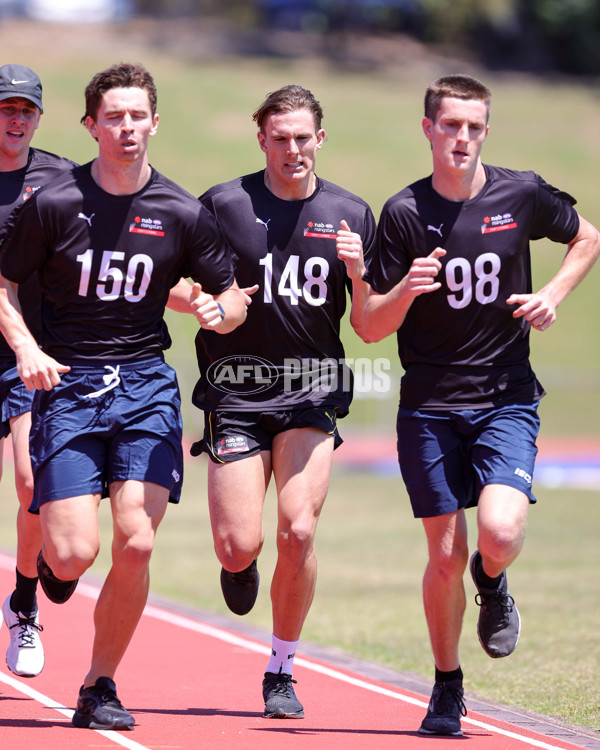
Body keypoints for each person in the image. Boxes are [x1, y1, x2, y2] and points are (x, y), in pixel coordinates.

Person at [0, 62, 247, 731]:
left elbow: (226, 295)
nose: (128, 128)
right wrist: (26, 347)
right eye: (114, 116)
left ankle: (99, 684)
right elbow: (4, 282)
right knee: (75, 553)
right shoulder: (52, 202)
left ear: (155, 123)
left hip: (145, 388)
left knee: (136, 542)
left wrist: (223, 313)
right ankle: (49, 573)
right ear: (91, 126)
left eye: (138, 116)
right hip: (70, 386)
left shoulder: (180, 211)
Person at [361, 74, 600, 736]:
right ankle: (446, 685)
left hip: (505, 398)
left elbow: (588, 238)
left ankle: (491, 582)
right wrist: (407, 288)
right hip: (430, 406)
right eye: (450, 125)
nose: (461, 137)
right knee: (441, 556)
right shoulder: (404, 212)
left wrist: (552, 293)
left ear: (485, 131)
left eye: (473, 126)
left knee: (496, 534)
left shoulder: (519, 193)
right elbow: (370, 326)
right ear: (428, 129)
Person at [192, 84, 375, 719]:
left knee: (297, 529)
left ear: (319, 139)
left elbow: (373, 325)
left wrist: (359, 277)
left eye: (303, 137)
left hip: (311, 390)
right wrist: (209, 304)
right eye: (280, 137)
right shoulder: (223, 204)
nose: (292, 148)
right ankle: (238, 565)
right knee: (239, 544)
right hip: (236, 391)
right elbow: (178, 275)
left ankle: (281, 667)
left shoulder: (352, 212)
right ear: (261, 138)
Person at [0, 63, 78, 678]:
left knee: (32, 488)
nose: (16, 118)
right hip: (14, 337)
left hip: (31, 350)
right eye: (6, 109)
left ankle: (24, 605)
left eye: (26, 109)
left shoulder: (58, 178)